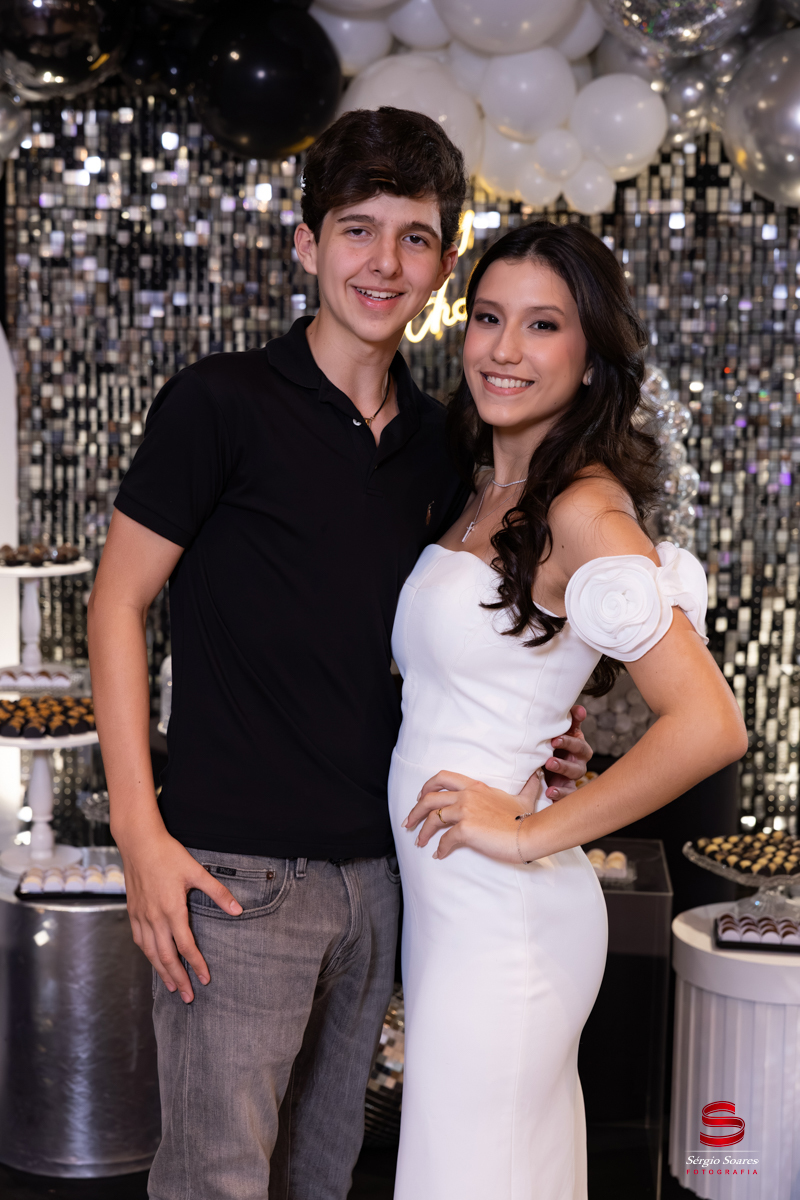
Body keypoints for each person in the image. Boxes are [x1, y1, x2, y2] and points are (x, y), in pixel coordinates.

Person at [87, 110, 592, 1200]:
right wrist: (138, 832)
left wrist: (538, 731)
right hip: (234, 877)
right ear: (306, 243)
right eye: (357, 230)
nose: (383, 263)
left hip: (388, 874)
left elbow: (451, 639)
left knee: (322, 1178)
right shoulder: (218, 404)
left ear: (445, 266)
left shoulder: (445, 446)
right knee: (217, 1183)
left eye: (414, 238)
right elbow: (116, 604)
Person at [389, 221, 747, 1200]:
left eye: (542, 325)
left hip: (503, 915)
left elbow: (710, 724)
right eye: (488, 317)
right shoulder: (487, 487)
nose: (503, 349)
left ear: (590, 359)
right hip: (452, 907)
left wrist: (527, 832)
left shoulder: (583, 510)